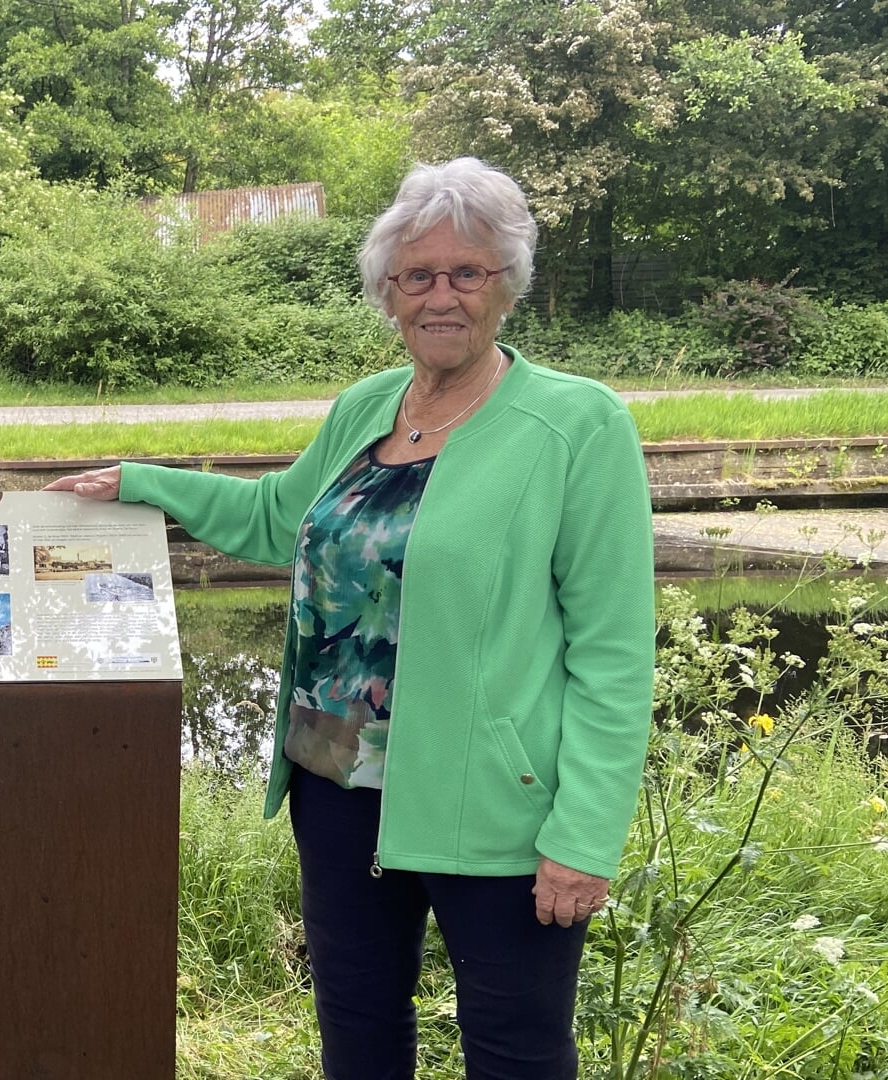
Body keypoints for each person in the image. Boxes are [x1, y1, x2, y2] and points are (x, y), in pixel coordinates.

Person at [46, 157, 653, 1079]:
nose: (440, 296)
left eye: (466, 272)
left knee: (515, 1048)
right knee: (358, 1031)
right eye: (417, 276)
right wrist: (138, 483)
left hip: (490, 805)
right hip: (333, 780)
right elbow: (276, 519)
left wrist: (582, 836)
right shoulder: (368, 405)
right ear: (387, 292)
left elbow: (612, 654)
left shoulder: (578, 426)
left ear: (506, 285)